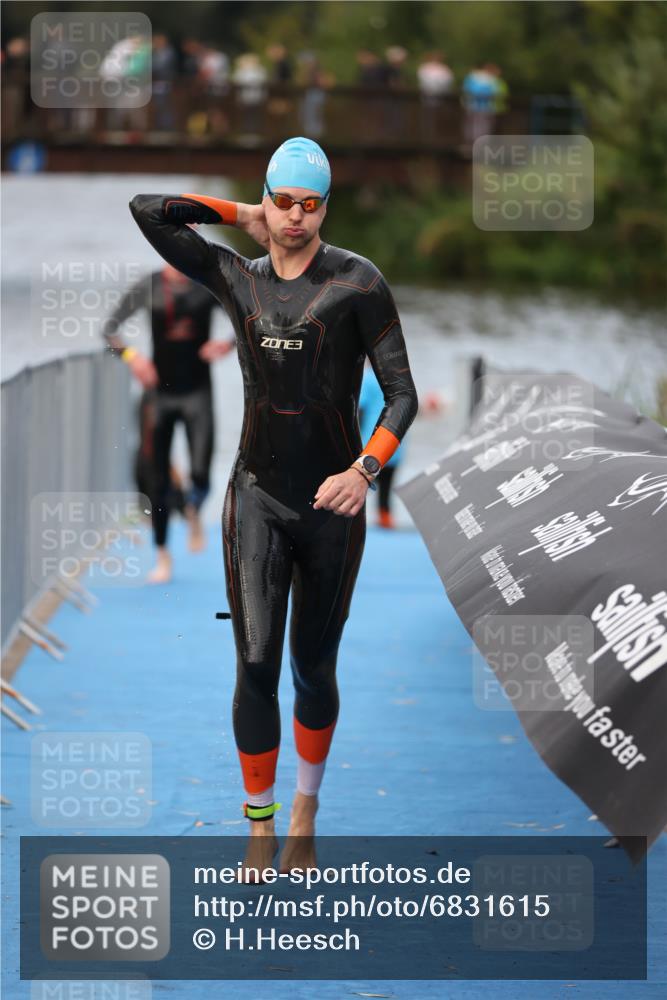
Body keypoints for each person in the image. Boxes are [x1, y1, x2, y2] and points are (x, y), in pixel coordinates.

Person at [129, 137, 418, 877]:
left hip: (332, 504)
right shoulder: (235, 276)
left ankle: (305, 807)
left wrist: (364, 469)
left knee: (312, 670)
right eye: (283, 202)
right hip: (255, 495)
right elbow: (149, 211)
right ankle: (258, 822)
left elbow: (400, 395)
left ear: (326, 205)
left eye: (308, 204)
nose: (294, 217)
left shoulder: (357, 283)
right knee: (254, 664)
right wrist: (239, 213)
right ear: (268, 199)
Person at [103, 263, 234, 582]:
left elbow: (247, 318)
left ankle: (193, 510)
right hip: (158, 396)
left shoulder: (208, 282)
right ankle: (162, 556)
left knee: (201, 473)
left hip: (197, 394)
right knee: (156, 479)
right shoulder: (150, 285)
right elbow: (109, 331)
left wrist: (226, 344)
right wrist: (133, 358)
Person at [359, 364, 404, 529]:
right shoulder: (400, 376)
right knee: (386, 486)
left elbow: (360, 410)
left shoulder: (369, 378)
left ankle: (352, 520)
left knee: (360, 484)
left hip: (372, 441)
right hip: (396, 441)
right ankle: (386, 519)